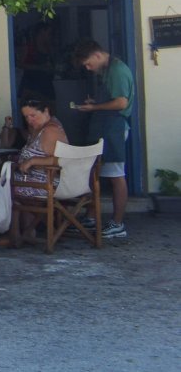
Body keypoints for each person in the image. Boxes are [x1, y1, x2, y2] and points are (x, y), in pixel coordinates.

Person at [70, 38, 133, 239]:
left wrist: (94, 107)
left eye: (89, 63)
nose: (88, 68)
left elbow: (121, 103)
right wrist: (96, 102)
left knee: (116, 175)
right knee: (94, 173)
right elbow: (112, 98)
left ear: (97, 55)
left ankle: (118, 223)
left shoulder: (117, 70)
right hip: (103, 127)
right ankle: (91, 217)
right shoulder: (106, 70)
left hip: (113, 128)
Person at [0, 98, 67, 249]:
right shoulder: (37, 128)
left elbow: (61, 160)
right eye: (26, 117)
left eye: (33, 115)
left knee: (7, 186)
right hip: (38, 179)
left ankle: (15, 235)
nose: (29, 120)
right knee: (8, 179)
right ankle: (27, 232)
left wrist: (32, 161)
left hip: (50, 183)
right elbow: (6, 144)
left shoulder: (50, 130)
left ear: (46, 111)